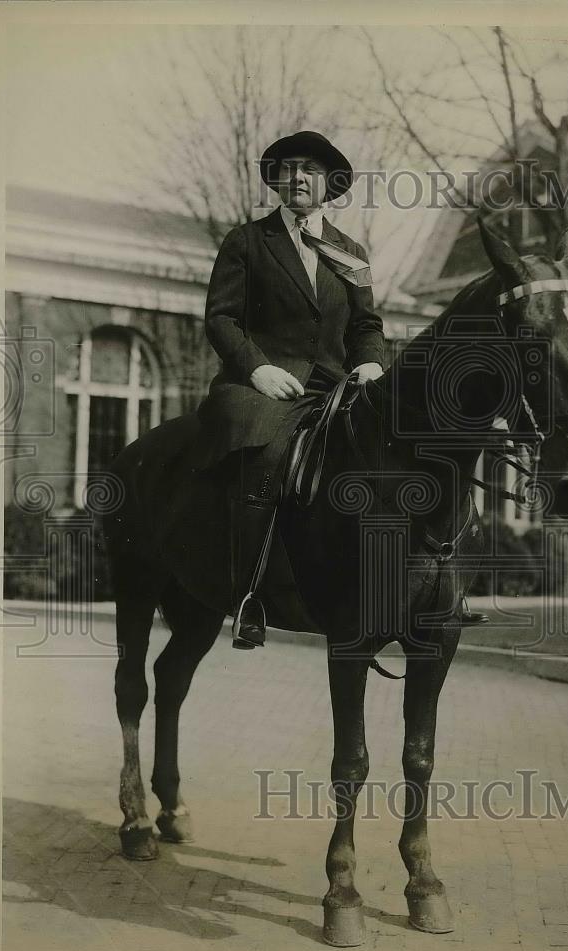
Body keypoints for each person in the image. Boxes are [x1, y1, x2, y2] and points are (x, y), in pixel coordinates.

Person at [197, 131, 385, 650]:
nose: (299, 177)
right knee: (264, 450)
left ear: (328, 184)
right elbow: (221, 319)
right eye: (289, 168)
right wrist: (257, 370)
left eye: (311, 169)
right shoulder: (247, 242)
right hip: (261, 384)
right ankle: (249, 593)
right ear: (277, 180)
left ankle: (384, 585)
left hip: (332, 388)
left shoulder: (350, 252)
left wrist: (370, 366)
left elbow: (366, 326)